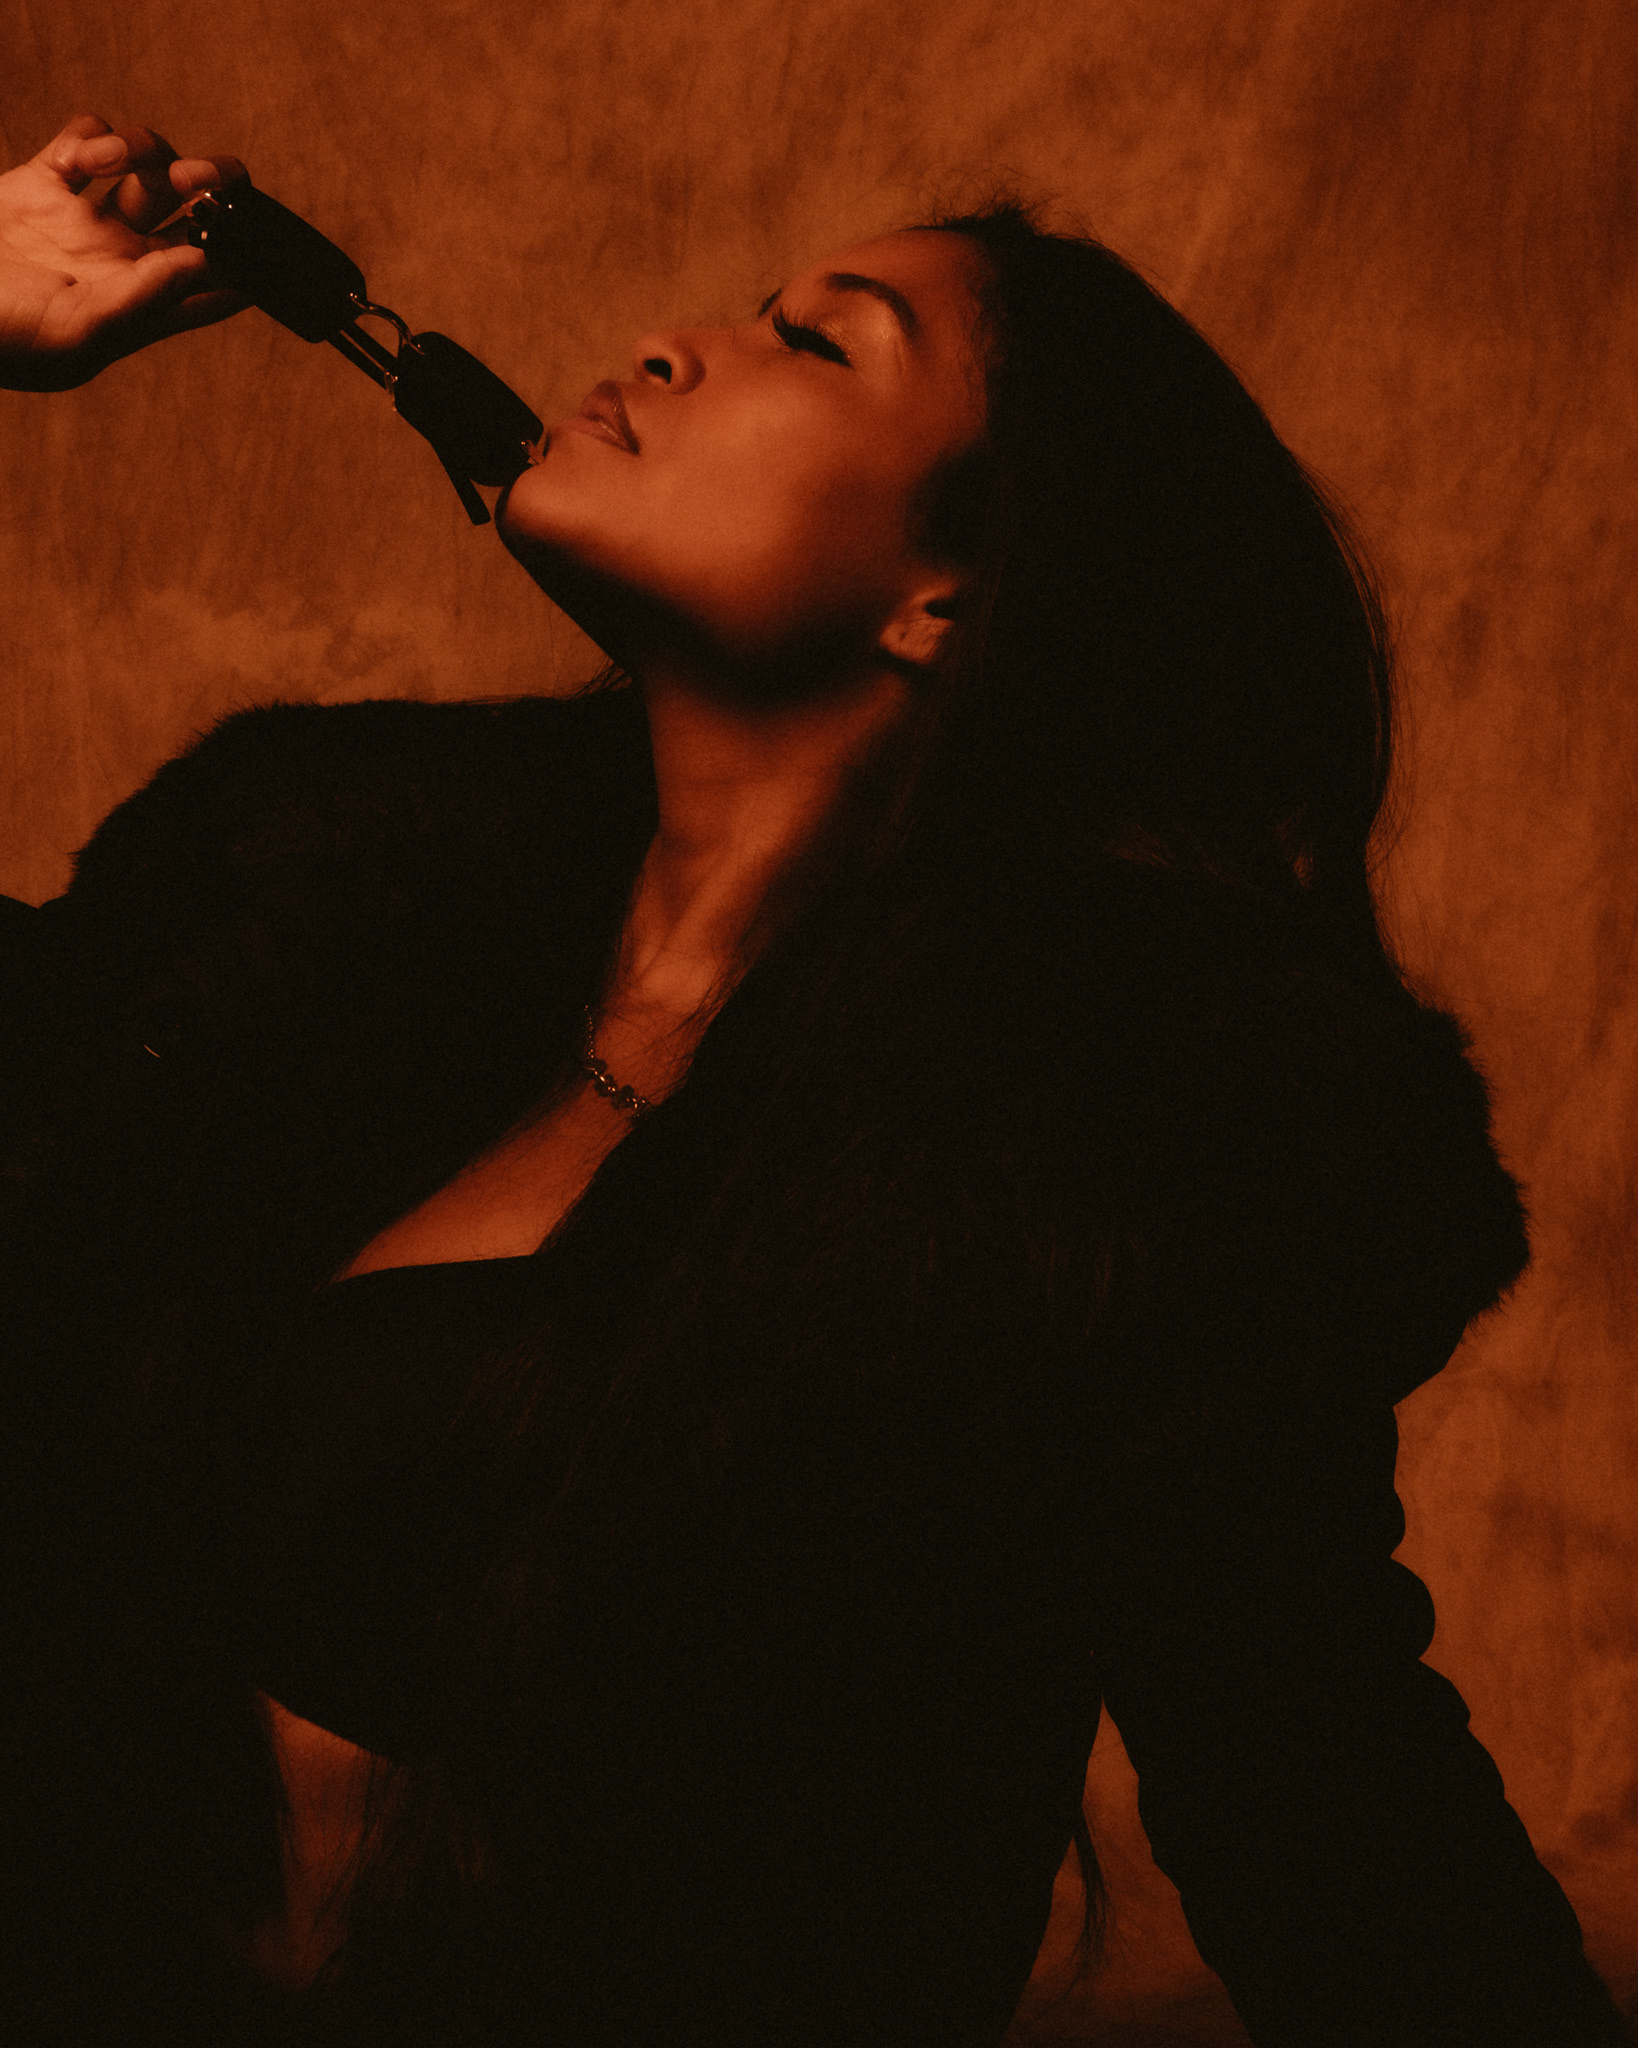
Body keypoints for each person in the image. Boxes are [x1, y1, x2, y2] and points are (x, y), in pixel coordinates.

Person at [0, 113, 1629, 2048]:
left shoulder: (1110, 1152)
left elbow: (1329, 1792)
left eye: (814, 340)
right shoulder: (297, 913)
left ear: (953, 594)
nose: (674, 344)